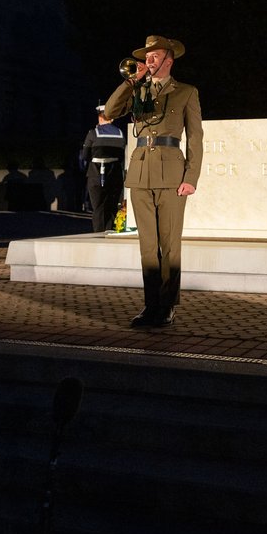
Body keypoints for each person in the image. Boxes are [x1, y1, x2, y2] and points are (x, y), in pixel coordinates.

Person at [104, 35, 202, 328]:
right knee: (148, 245)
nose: (148, 60)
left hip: (172, 174)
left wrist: (191, 177)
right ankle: (150, 305)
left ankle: (168, 305)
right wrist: (130, 83)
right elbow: (109, 112)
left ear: (168, 60)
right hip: (141, 172)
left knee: (169, 244)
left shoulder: (186, 91)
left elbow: (195, 137)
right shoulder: (138, 89)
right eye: (146, 56)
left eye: (154, 56)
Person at [80, 104, 126, 232]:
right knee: (112, 206)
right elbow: (122, 157)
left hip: (96, 175)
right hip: (114, 175)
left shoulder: (93, 134)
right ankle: (111, 231)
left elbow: (85, 156)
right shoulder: (120, 133)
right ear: (112, 119)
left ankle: (99, 234)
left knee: (98, 207)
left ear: (100, 118)